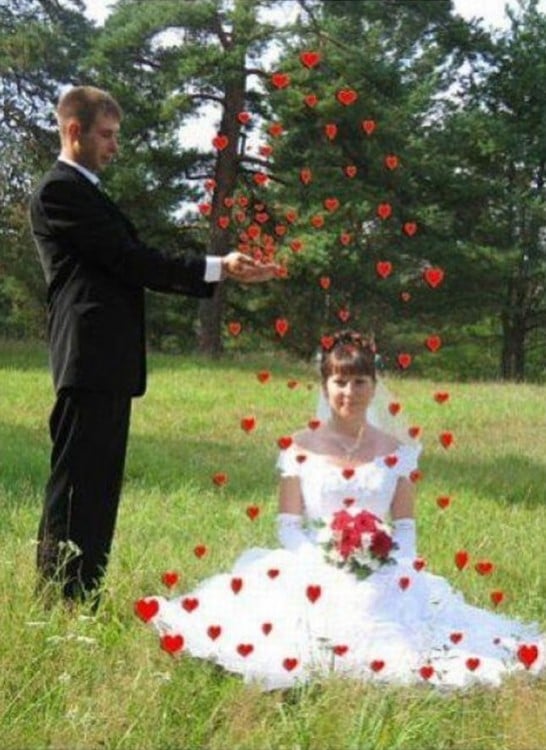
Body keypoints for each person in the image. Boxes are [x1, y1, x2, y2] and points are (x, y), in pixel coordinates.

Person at [137, 330, 544, 690]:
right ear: (325, 385)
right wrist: (323, 558)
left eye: (359, 382)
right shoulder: (297, 447)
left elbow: (404, 526)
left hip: (381, 560)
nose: (349, 392)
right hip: (313, 559)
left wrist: (390, 561)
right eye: (340, 382)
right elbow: (288, 525)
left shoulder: (398, 452)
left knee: (390, 612)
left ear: (374, 385)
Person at [29, 85, 279, 609]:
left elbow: (128, 258)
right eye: (106, 134)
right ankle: (57, 600)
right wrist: (217, 268)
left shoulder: (88, 192)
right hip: (87, 362)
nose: (114, 146)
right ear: (74, 131)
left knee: (98, 489)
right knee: (77, 487)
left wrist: (220, 269)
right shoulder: (60, 191)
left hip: (106, 365)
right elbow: (130, 259)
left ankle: (82, 596)